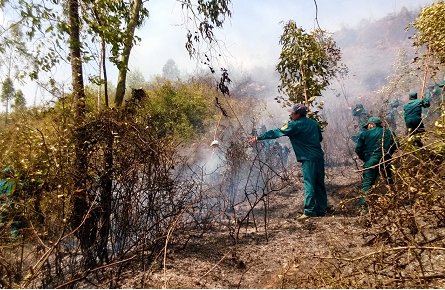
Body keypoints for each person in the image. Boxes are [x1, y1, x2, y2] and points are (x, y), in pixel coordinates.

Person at [248, 103, 327, 219]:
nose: (291, 115)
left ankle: (309, 211)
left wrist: (259, 137)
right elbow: (319, 138)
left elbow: (276, 132)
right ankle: (321, 210)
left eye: (292, 113)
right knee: (319, 183)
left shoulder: (294, 126)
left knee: (309, 183)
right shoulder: (314, 123)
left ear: (298, 114)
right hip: (319, 157)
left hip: (308, 159)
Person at [355, 117, 398, 212]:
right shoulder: (389, 132)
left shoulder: (364, 134)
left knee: (367, 185)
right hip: (385, 160)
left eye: (368, 126)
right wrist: (388, 154)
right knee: (389, 181)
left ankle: (364, 209)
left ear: (372, 124)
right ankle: (394, 204)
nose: (367, 128)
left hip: (371, 161)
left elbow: (358, 149)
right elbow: (396, 144)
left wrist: (365, 159)